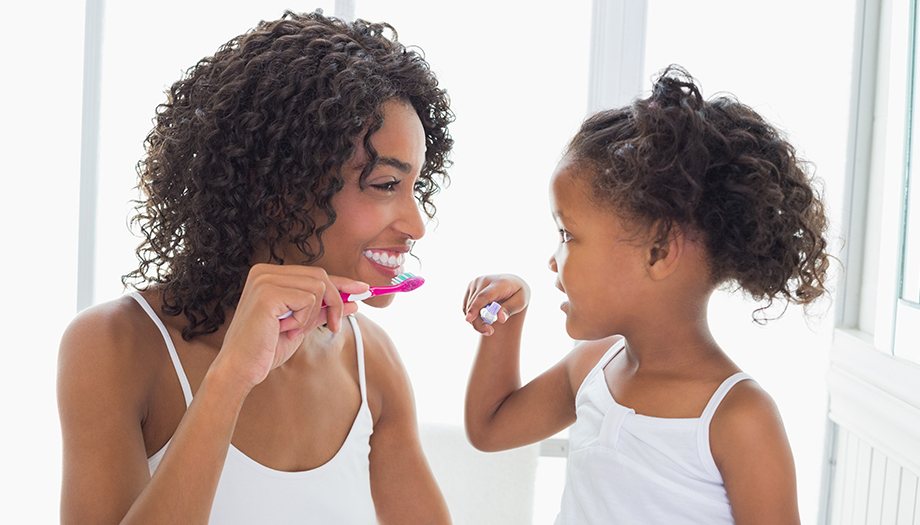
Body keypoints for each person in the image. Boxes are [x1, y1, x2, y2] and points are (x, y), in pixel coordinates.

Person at [57, 10, 454, 524]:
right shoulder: (115, 345)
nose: (416, 224)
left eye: (415, 187)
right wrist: (231, 378)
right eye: (384, 185)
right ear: (279, 190)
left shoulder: (371, 360)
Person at [462, 66, 829, 524]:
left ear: (658, 251)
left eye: (567, 234)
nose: (553, 259)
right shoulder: (593, 364)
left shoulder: (739, 418)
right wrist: (506, 320)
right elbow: (490, 428)